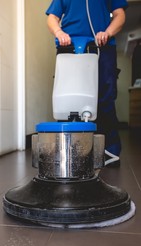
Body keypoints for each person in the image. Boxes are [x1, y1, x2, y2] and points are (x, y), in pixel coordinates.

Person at [46, 0, 128, 167]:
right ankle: (74, 150)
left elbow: (120, 15)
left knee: (104, 97)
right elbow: (52, 17)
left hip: (101, 45)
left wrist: (108, 32)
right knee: (70, 99)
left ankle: (109, 150)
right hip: (69, 47)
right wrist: (59, 32)